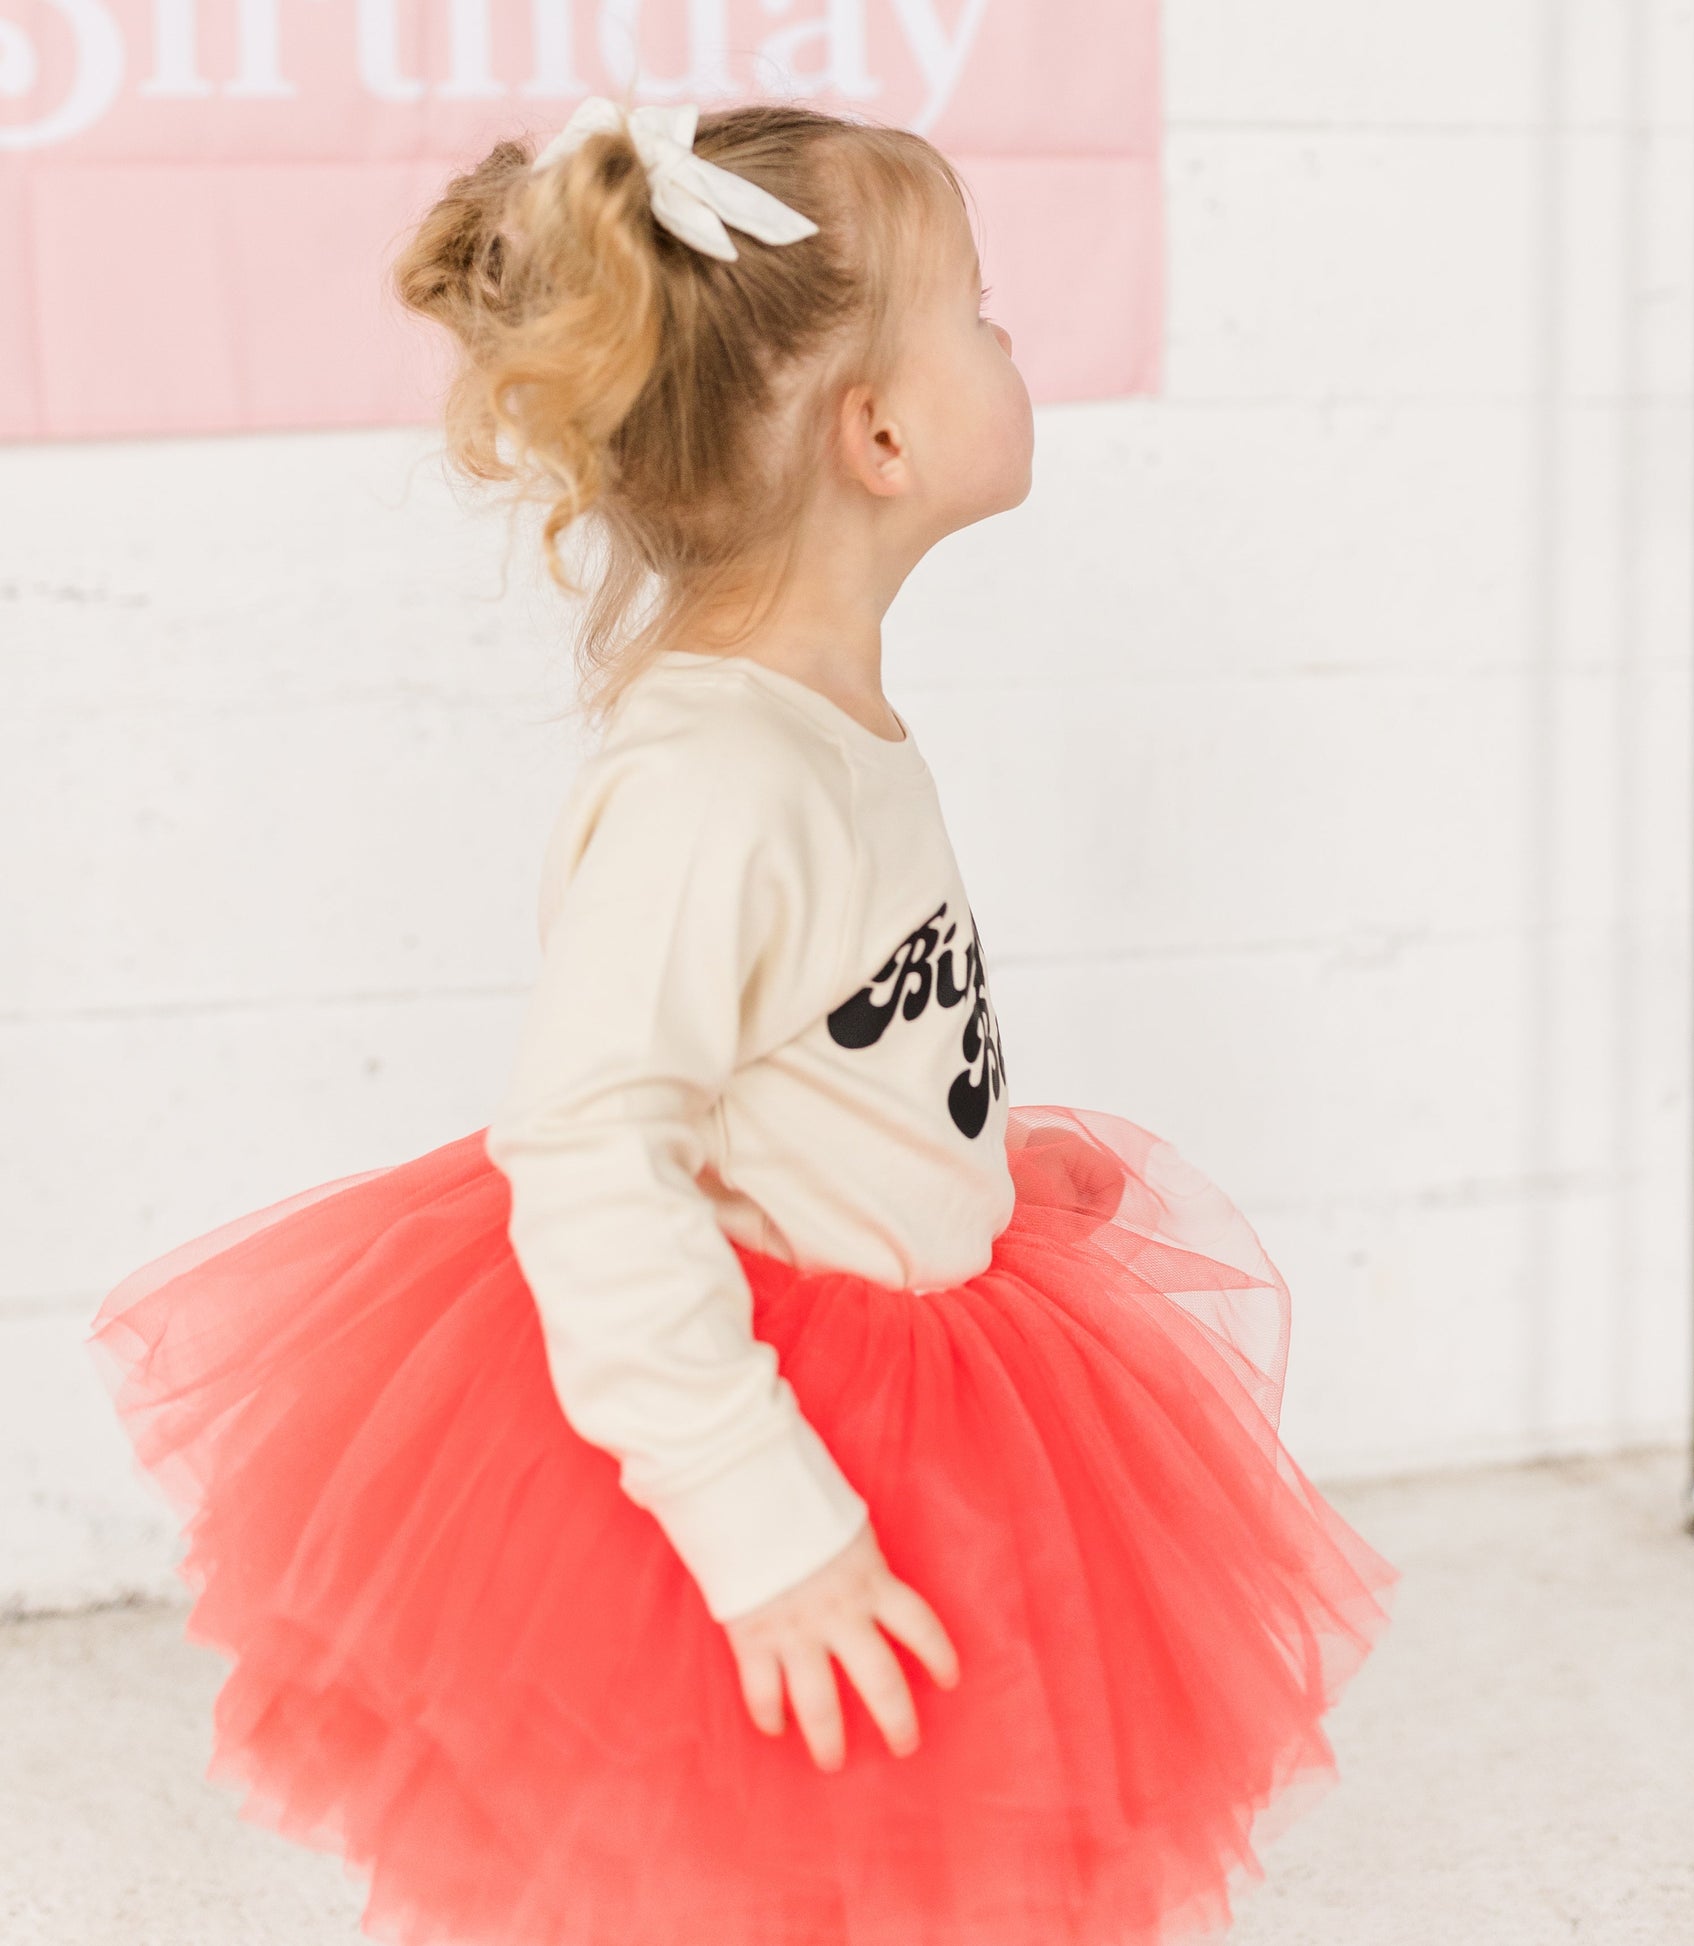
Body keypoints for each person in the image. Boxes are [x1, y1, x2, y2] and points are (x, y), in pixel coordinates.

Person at [90, 96, 1399, 1946]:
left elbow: (822, 1049)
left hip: (926, 1373)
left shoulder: (817, 724)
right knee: (759, 1854)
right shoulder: (719, 778)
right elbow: (591, 1152)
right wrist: (760, 1518)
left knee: (902, 1854)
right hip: (776, 1433)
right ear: (875, 432)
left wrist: (967, 1176)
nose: (1012, 340)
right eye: (984, 312)